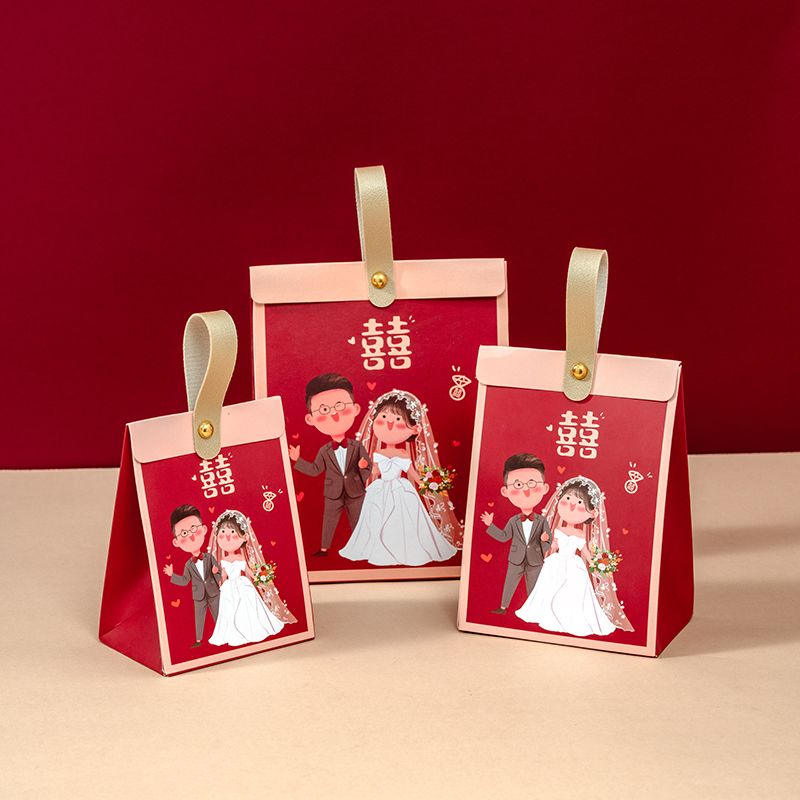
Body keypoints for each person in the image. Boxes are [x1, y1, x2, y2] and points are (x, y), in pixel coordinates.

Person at [338, 389, 460, 566]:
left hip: (401, 490)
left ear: (415, 429)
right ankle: (377, 547)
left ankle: (404, 548)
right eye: (383, 417)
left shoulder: (403, 454)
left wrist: (429, 484)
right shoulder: (378, 453)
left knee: (405, 519)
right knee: (376, 518)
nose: (389, 424)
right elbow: (374, 472)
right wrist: (362, 470)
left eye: (397, 420)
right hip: (379, 489)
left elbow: (412, 473)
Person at [515, 476, 632, 636]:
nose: (571, 506)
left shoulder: (580, 534)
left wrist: (596, 564)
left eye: (579, 503)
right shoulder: (558, 530)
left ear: (592, 513)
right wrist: (546, 544)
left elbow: (585, 551)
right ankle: (547, 612)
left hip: (574, 565)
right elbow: (553, 547)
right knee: (550, 587)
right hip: (556, 562)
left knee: (574, 590)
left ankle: (570, 616)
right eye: (568, 499)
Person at [288, 373, 371, 556]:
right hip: (333, 493)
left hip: (355, 491)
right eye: (324, 410)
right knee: (329, 521)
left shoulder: (357, 446)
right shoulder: (324, 450)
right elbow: (315, 470)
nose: (334, 414)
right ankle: (324, 549)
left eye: (340, 406)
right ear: (310, 419)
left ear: (356, 409)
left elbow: (368, 467)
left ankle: (362, 547)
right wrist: (297, 460)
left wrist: (362, 470)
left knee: (359, 520)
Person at [207, 510, 293, 647]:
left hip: (243, 584)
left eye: (233, 533)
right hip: (229, 587)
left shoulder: (241, 557)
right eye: (222, 534)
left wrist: (260, 577)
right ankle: (233, 631)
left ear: (245, 537)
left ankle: (252, 628)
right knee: (230, 609)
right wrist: (215, 581)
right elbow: (223, 576)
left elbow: (248, 571)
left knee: (248, 607)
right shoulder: (223, 560)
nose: (227, 538)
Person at [480, 454, 551, 614]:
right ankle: (503, 607)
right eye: (518, 484)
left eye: (532, 483)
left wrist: (543, 541)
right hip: (515, 558)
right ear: (505, 491)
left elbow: (548, 542)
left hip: (535, 559)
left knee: (534, 586)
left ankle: (534, 610)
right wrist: (490, 525)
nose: (526, 490)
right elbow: (504, 536)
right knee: (510, 582)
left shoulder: (542, 521)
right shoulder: (513, 520)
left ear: (545, 488)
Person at [162, 504, 221, 647]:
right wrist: (172, 575)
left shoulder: (209, 558)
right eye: (184, 533)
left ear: (204, 529)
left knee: (219, 615)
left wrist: (216, 574)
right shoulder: (188, 565)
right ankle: (198, 640)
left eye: (194, 528)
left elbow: (219, 574)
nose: (191, 536)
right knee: (199, 617)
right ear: (176, 542)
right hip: (198, 596)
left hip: (214, 592)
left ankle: (222, 634)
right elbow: (184, 581)